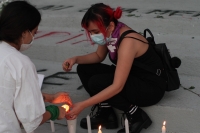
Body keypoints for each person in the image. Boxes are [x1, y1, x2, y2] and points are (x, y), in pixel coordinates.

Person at [63, 3, 167, 133]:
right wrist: (76, 59)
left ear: (110, 25)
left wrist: (83, 104)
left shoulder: (128, 41)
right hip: (133, 77)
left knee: (97, 82)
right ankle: (106, 113)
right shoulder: (111, 32)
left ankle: (136, 116)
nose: (93, 36)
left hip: (150, 88)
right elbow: (98, 56)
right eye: (90, 32)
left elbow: (117, 86)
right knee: (84, 69)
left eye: (96, 32)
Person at [0, 1, 72, 133]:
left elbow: (8, 92)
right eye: (35, 32)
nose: (33, 37)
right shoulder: (20, 62)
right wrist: (55, 111)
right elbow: (31, 119)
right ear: (24, 32)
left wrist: (49, 97)